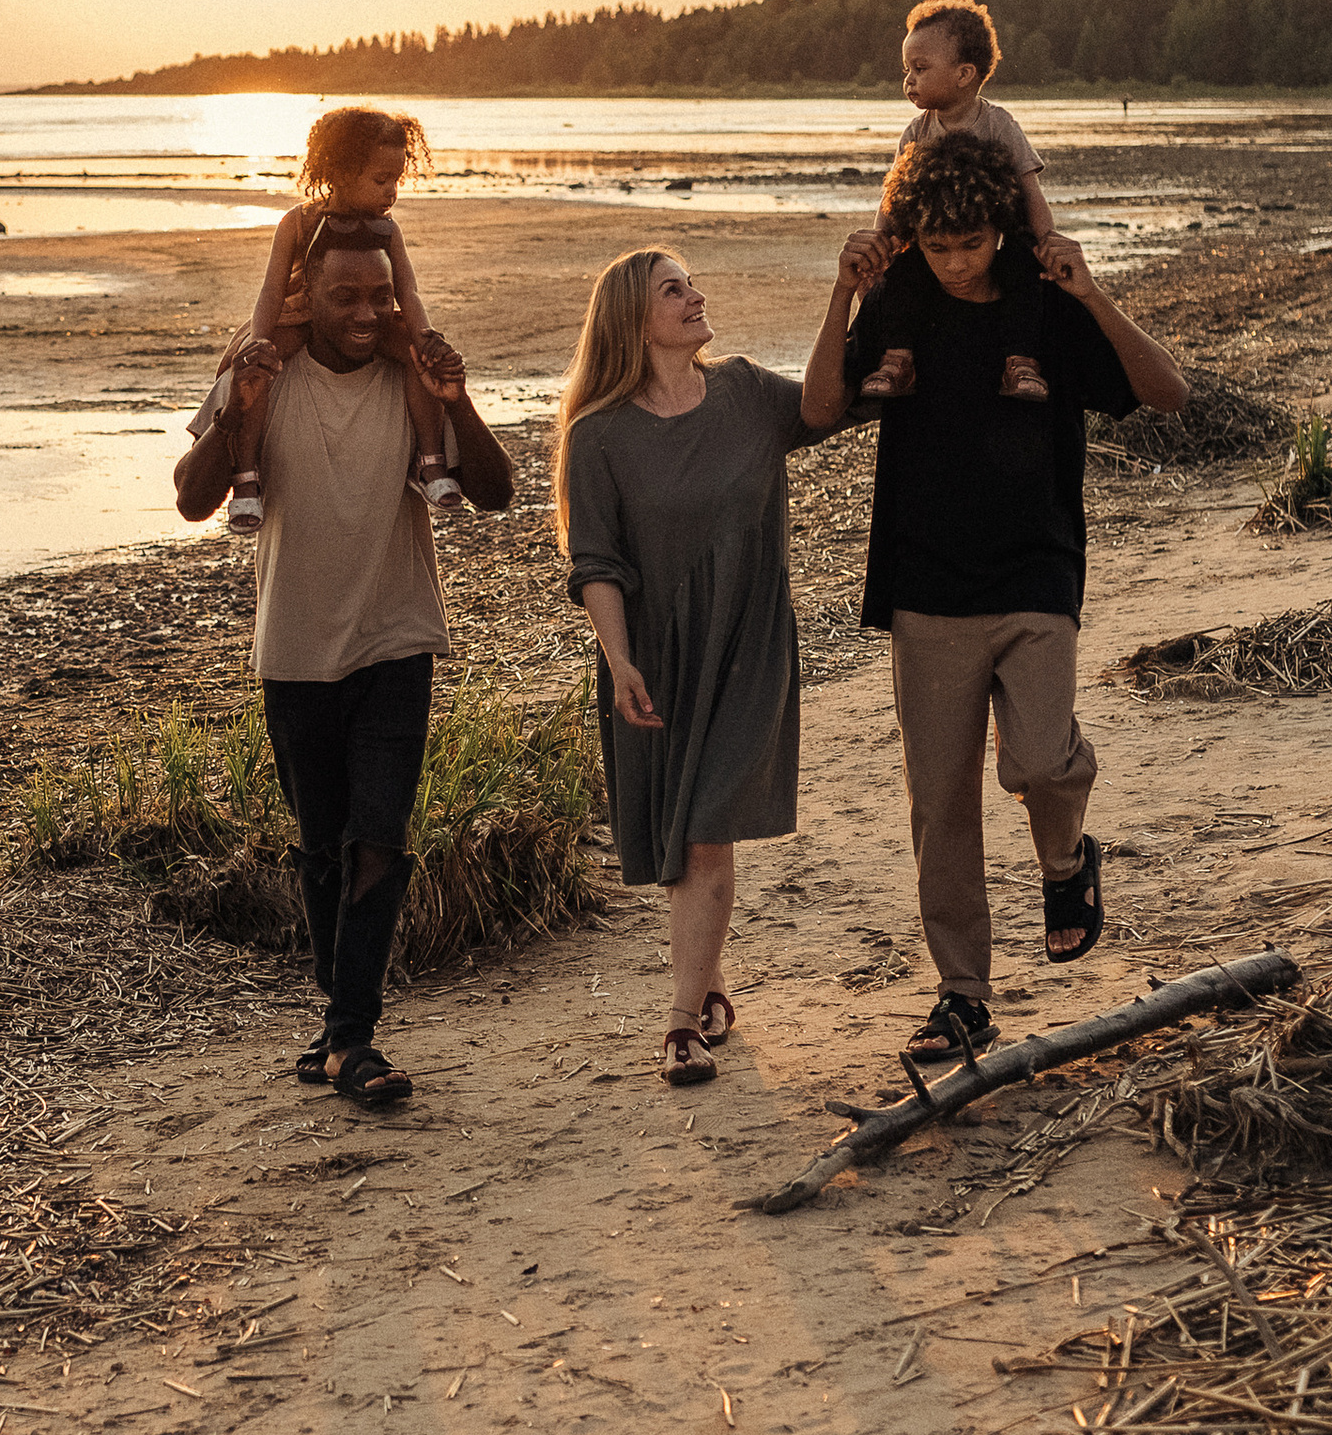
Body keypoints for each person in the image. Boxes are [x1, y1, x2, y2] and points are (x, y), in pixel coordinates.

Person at [830, 129, 1190, 1073]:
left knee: (1038, 759)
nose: (955, 264)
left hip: (1035, 573)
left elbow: (1171, 394)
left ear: (1004, 232)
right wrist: (845, 291)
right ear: (915, 238)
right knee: (940, 803)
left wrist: (1090, 291)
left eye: (973, 244)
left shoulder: (1048, 309)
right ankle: (963, 996)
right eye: (938, 246)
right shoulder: (902, 301)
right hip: (925, 584)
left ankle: (1067, 861)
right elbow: (827, 406)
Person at [175, 233, 514, 1108]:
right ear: (306, 295)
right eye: (346, 298)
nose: (367, 314)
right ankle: (337, 1029)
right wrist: (234, 404)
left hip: (396, 642)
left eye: (380, 297)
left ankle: (354, 1038)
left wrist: (460, 403)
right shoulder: (262, 374)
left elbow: (498, 491)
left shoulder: (413, 379)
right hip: (292, 652)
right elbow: (191, 497)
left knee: (378, 842)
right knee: (322, 850)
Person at [556, 248, 853, 1084]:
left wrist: (847, 294)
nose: (696, 297)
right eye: (674, 291)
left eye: (693, 283)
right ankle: (711, 986)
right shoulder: (599, 435)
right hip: (655, 656)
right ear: (632, 320)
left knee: (705, 827)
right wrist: (618, 663)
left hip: (750, 644)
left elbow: (838, 402)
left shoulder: (749, 391)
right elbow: (596, 564)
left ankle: (680, 1025)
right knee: (678, 842)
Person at [221, 107, 461, 535]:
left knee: (414, 354)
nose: (391, 191)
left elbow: (408, 290)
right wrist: (258, 340)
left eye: (397, 180)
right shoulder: (299, 221)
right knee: (258, 371)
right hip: (297, 317)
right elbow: (272, 290)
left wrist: (424, 336)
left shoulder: (387, 230)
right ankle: (245, 477)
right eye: (380, 180)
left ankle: (429, 462)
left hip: (369, 321)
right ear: (340, 170)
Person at [858, 0, 1057, 408]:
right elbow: (893, 197)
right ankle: (898, 360)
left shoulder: (998, 124)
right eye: (907, 70)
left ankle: (1020, 363)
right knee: (902, 276)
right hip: (931, 242)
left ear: (965, 74)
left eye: (920, 68)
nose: (908, 81)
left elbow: (1030, 190)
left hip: (997, 239)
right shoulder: (917, 131)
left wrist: (1048, 243)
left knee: (1024, 276)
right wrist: (880, 244)